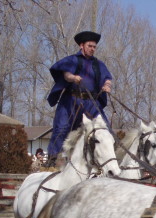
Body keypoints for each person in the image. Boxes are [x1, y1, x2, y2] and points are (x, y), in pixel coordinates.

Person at [45, 30, 113, 167]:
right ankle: (51, 160)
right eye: (90, 46)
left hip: (91, 103)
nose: (92, 49)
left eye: (94, 47)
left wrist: (106, 86)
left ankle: (108, 161)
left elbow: (107, 78)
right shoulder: (72, 60)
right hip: (71, 101)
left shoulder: (98, 64)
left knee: (105, 128)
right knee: (61, 129)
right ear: (81, 46)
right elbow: (66, 74)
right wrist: (73, 78)